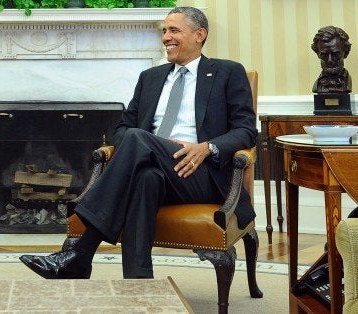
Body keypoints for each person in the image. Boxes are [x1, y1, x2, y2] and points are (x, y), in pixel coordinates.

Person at [20, 6, 257, 280]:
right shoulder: (151, 78)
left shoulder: (227, 72)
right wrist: (150, 145)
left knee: (137, 139)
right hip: (155, 166)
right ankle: (138, 282)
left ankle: (81, 251)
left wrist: (206, 147)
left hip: (200, 172)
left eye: (174, 30)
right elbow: (122, 129)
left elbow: (245, 131)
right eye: (164, 31)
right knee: (145, 176)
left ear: (200, 35)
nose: (166, 37)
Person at [311, 26, 352, 93]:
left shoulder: (347, 82)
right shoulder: (318, 85)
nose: (330, 60)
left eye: (335, 54)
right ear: (318, 54)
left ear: (345, 53)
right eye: (324, 55)